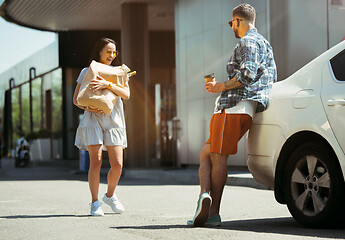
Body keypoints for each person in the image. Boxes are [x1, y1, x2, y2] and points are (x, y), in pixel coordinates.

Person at [188, 4, 277, 227]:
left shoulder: (247, 41)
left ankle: (212, 212)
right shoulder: (264, 43)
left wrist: (221, 86)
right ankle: (204, 197)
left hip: (234, 106)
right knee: (206, 154)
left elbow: (247, 73)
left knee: (217, 157)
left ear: (238, 21)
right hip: (243, 109)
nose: (232, 28)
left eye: (231, 23)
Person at [73, 38, 130, 216]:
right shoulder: (87, 71)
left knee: (118, 164)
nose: (111, 55)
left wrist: (108, 84)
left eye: (114, 52)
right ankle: (95, 202)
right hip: (92, 118)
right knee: (96, 162)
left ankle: (110, 195)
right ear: (99, 51)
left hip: (113, 119)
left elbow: (126, 94)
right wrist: (86, 107)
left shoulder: (119, 72)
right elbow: (76, 99)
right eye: (108, 51)